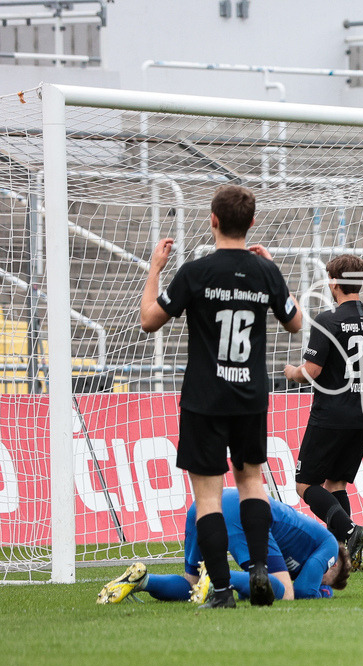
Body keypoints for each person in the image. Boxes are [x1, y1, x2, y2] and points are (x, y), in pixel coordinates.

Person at [139, 185, 303, 608]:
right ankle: (261, 570)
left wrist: (156, 267)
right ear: (252, 223)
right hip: (250, 398)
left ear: (212, 220)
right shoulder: (265, 272)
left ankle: (222, 591)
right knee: (252, 483)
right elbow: (296, 323)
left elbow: (148, 322)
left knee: (208, 498)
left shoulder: (196, 271)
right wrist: (274, 270)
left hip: (204, 399)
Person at [283, 254, 363, 570]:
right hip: (361, 415)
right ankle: (349, 556)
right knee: (336, 485)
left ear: (333, 283)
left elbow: (312, 371)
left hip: (330, 415)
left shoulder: (328, 320)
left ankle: (350, 531)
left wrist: (292, 371)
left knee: (306, 485)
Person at [97, 489, 350, 606]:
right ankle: (220, 577)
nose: (321, 581)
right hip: (244, 512)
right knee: (284, 593)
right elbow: (305, 589)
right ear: (334, 563)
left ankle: (142, 580)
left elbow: (250, 591)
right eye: (327, 580)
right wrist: (323, 593)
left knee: (191, 585)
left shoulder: (300, 548)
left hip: (204, 505)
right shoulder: (328, 544)